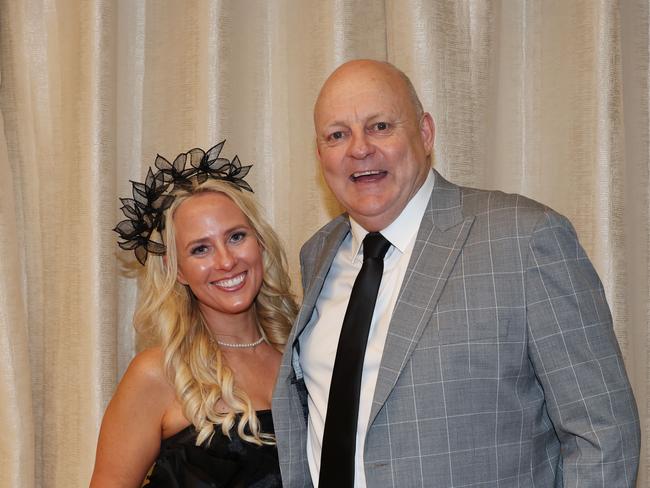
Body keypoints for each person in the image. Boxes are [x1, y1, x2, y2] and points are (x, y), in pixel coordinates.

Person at [272, 60, 641, 487]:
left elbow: (603, 434)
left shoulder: (524, 239)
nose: (359, 149)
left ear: (425, 133)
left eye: (380, 127)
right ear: (320, 155)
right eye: (337, 135)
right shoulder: (318, 253)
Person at [90, 141, 298, 487]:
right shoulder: (158, 373)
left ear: (259, 244)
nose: (226, 261)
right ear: (178, 270)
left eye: (236, 237)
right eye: (200, 249)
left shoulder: (302, 356)